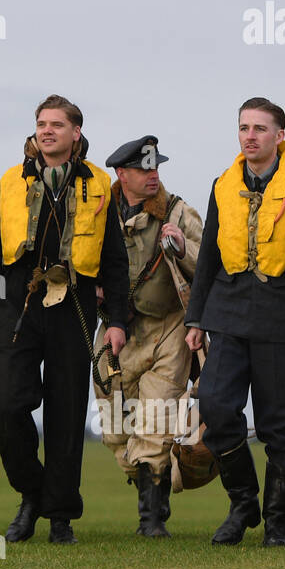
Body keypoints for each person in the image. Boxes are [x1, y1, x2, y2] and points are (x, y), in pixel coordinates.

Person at [0, 96, 129, 544]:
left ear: (75, 133)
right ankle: (31, 491)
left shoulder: (100, 183)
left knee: (65, 413)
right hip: (18, 301)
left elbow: (116, 261)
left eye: (57, 125)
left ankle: (59, 516)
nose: (47, 131)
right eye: (41, 124)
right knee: (3, 404)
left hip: (75, 302)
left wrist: (116, 320)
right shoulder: (10, 179)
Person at [184, 97, 285, 547]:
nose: (250, 136)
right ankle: (243, 503)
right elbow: (208, 252)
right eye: (244, 128)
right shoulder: (222, 184)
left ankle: (278, 525)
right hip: (227, 312)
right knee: (214, 404)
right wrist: (195, 317)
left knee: (279, 424)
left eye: (260, 129)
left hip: (281, 314)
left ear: (279, 136)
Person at [92, 136, 203, 537]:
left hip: (168, 328)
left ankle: (150, 521)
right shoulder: (97, 213)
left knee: (155, 423)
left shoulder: (178, 212)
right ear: (122, 175)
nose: (153, 175)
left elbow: (210, 264)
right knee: (114, 426)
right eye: (144, 169)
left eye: (156, 168)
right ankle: (154, 488)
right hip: (117, 331)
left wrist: (181, 247)